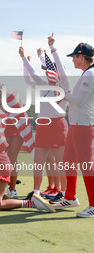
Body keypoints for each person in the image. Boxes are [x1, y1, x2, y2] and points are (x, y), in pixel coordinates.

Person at [19, 36, 69, 202]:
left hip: (57, 125)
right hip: (43, 126)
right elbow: (29, 77)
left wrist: (52, 48)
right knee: (38, 161)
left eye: (50, 70)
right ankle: (36, 193)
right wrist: (24, 59)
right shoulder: (43, 85)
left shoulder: (63, 86)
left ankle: (64, 194)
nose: (48, 73)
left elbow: (60, 68)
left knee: (60, 162)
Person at [53, 42, 94, 218]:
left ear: (81, 57)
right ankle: (70, 197)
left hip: (84, 126)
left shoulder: (90, 74)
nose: (72, 60)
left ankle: (93, 205)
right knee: (68, 159)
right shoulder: (87, 73)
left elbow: (77, 101)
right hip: (76, 125)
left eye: (74, 57)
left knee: (86, 165)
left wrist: (61, 91)